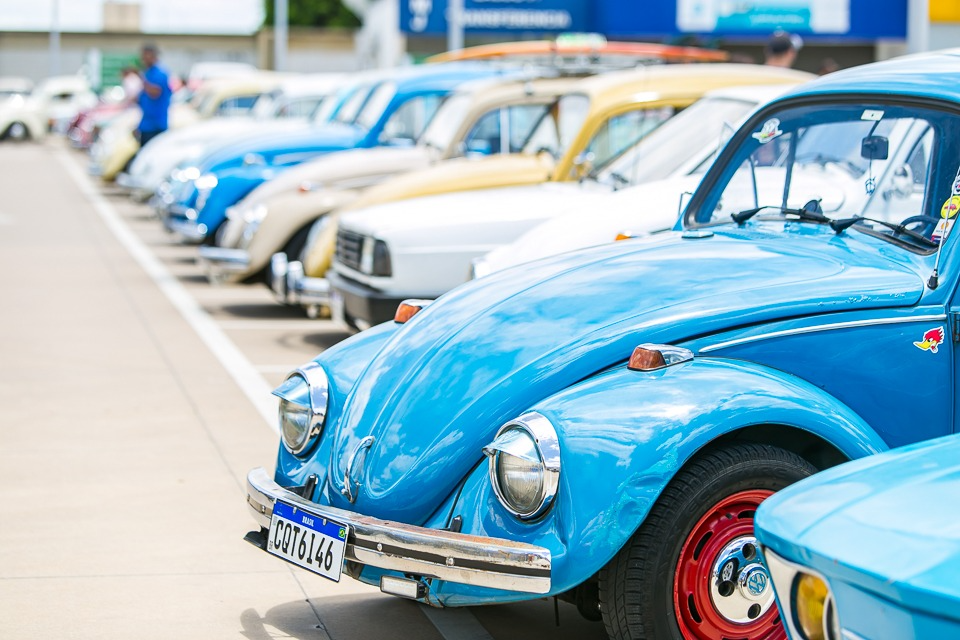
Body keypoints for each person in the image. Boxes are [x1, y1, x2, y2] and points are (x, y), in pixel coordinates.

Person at [136, 43, 171, 147]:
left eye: (146, 56)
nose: (144, 59)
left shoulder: (160, 73)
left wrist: (140, 79)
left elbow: (155, 93)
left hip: (155, 127)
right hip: (146, 124)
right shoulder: (148, 73)